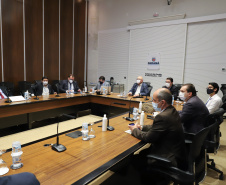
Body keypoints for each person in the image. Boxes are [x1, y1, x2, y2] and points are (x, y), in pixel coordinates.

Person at [128, 88, 186, 185]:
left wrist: (134, 130)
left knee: (135, 158)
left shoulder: (162, 116)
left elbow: (148, 138)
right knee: (142, 153)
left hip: (166, 156)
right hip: (176, 152)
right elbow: (156, 127)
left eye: (154, 100)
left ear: (162, 102)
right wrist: (142, 127)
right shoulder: (172, 110)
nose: (152, 102)